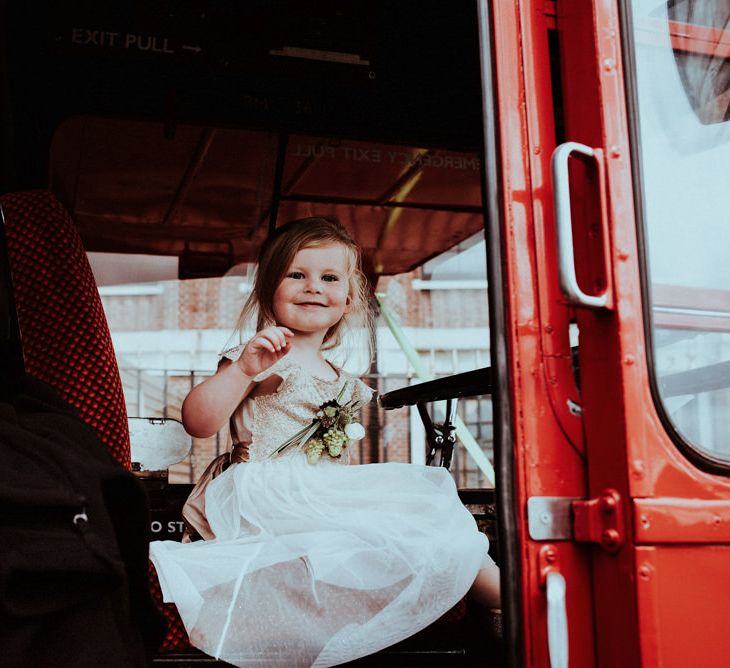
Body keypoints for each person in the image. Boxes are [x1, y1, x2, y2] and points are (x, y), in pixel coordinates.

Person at [149, 217, 500, 668]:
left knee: (426, 509)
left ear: (348, 299)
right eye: (297, 274)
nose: (313, 287)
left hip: (316, 493)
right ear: (269, 288)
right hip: (264, 492)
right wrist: (243, 371)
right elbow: (198, 422)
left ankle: (503, 601)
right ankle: (511, 601)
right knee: (422, 503)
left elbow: (334, 460)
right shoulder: (258, 354)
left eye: (329, 278)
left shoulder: (343, 379)